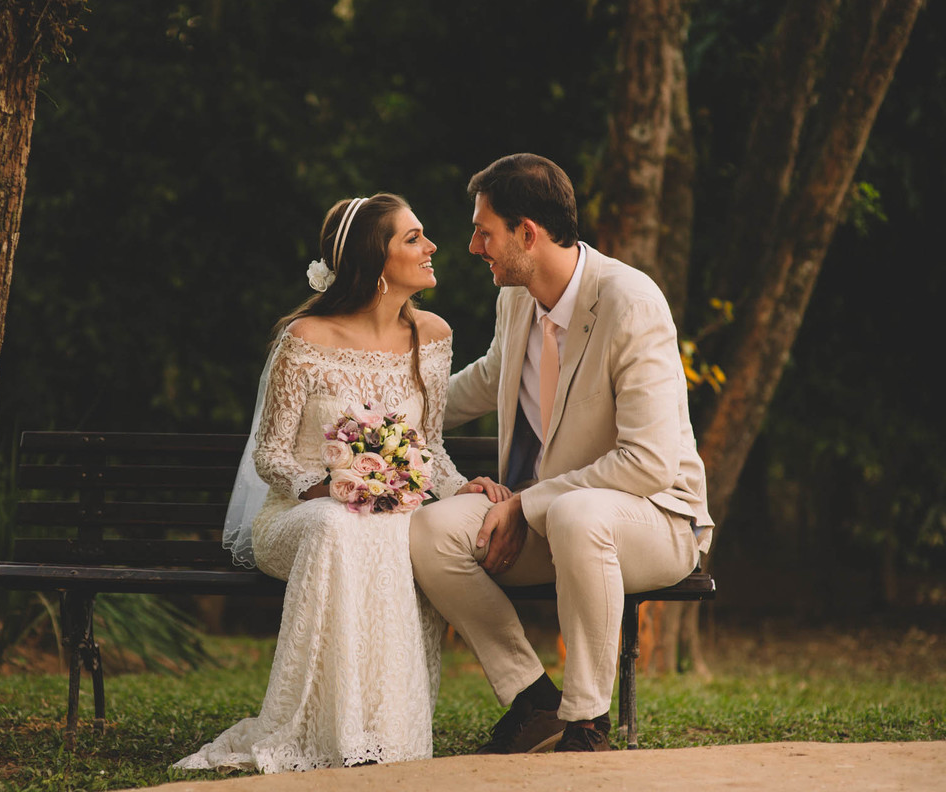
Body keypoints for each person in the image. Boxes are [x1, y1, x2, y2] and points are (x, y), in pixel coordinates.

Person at [174, 193, 508, 773]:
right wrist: (335, 487)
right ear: (373, 260)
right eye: (413, 238)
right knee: (340, 525)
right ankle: (322, 728)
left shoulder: (432, 336)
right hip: (299, 516)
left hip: (382, 515)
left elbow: (429, 449)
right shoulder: (305, 338)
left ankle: (386, 733)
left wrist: (459, 489)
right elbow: (271, 455)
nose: (432, 248)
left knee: (396, 530)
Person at [409, 154, 714, 754]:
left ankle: (586, 722)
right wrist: (390, 406)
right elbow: (490, 377)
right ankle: (533, 698)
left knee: (579, 515)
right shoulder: (517, 297)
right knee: (433, 529)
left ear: (529, 233)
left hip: (655, 518)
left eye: (484, 231)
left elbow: (648, 462)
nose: (472, 246)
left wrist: (527, 501)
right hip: (554, 523)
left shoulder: (631, 303)